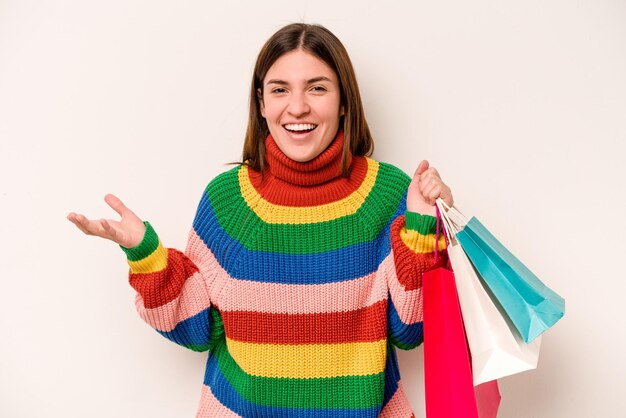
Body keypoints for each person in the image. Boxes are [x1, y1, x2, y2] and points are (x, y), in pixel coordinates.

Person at [67, 23, 454, 418]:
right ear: (262, 102)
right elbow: (197, 328)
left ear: (343, 101)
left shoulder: (387, 196)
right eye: (280, 89)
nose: (298, 106)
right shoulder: (231, 201)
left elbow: (411, 330)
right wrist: (145, 254)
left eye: (317, 88)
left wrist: (425, 227)